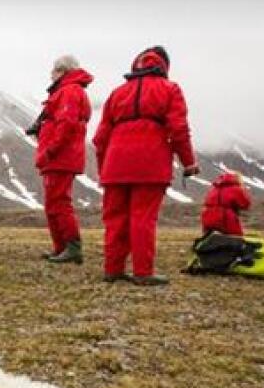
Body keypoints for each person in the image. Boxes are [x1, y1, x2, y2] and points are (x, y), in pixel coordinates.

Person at [92, 45, 200, 285]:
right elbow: (179, 130)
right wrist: (189, 162)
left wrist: (103, 169)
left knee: (115, 219)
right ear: (164, 66)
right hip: (151, 163)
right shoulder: (170, 89)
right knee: (143, 218)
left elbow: (100, 139)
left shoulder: (117, 93)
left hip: (115, 165)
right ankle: (143, 272)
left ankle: (113, 269)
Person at [29, 55, 94, 264]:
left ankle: (72, 248)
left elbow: (66, 124)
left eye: (54, 70)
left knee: (59, 202)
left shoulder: (70, 91)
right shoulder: (66, 91)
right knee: (53, 203)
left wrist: (51, 150)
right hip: (57, 156)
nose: (51, 75)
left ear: (62, 71)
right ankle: (61, 247)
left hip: (60, 156)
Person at [200, 172, 251, 236]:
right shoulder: (236, 189)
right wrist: (242, 190)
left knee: (210, 238)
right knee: (235, 238)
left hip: (208, 217)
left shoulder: (214, 189)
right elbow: (245, 204)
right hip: (225, 218)